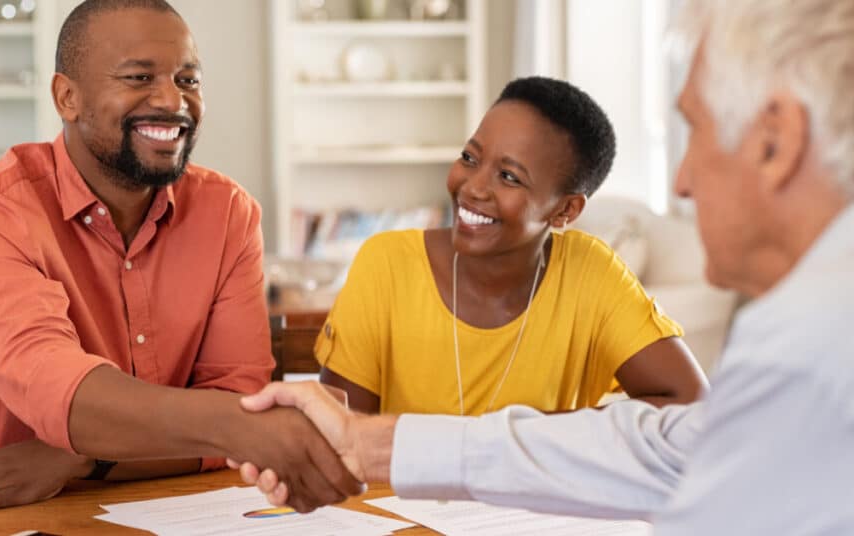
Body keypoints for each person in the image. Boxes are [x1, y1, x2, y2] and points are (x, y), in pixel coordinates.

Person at [234, 0, 854, 532]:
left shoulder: (809, 351)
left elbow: (688, 435)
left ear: (775, 141)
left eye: (694, 130)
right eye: (471, 158)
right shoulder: (805, 332)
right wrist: (371, 444)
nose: (683, 182)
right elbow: (671, 446)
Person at [0, 0, 360, 515]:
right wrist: (247, 427)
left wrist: (81, 461)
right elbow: (63, 396)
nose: (173, 101)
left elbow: (236, 398)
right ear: (67, 97)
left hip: (167, 507)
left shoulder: (229, 214)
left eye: (188, 80)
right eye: (139, 77)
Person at [317, 76, 707, 417]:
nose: (473, 188)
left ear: (565, 210)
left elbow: (690, 402)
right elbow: (341, 440)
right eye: (469, 157)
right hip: (397, 502)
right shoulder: (387, 263)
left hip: (532, 505)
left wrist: (518, 438)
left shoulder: (591, 273)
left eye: (509, 176)